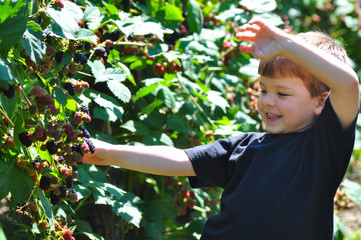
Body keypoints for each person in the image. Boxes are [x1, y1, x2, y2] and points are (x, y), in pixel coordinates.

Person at [83, 19, 359, 240]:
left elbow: (347, 84)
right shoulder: (243, 147)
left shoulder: (324, 146)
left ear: (321, 102)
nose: (267, 101)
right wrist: (109, 153)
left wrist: (284, 44)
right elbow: (181, 159)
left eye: (283, 94)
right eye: (263, 90)